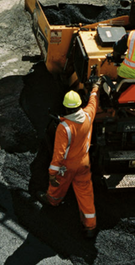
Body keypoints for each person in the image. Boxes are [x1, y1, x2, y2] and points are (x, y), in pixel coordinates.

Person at [44, 79, 102, 238]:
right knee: (85, 192)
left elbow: (59, 155)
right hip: (84, 163)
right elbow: (93, 102)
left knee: (58, 184)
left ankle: (52, 201)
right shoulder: (88, 116)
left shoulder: (64, 128)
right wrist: (96, 88)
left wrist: (52, 173)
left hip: (66, 166)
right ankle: (90, 226)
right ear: (79, 105)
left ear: (65, 108)